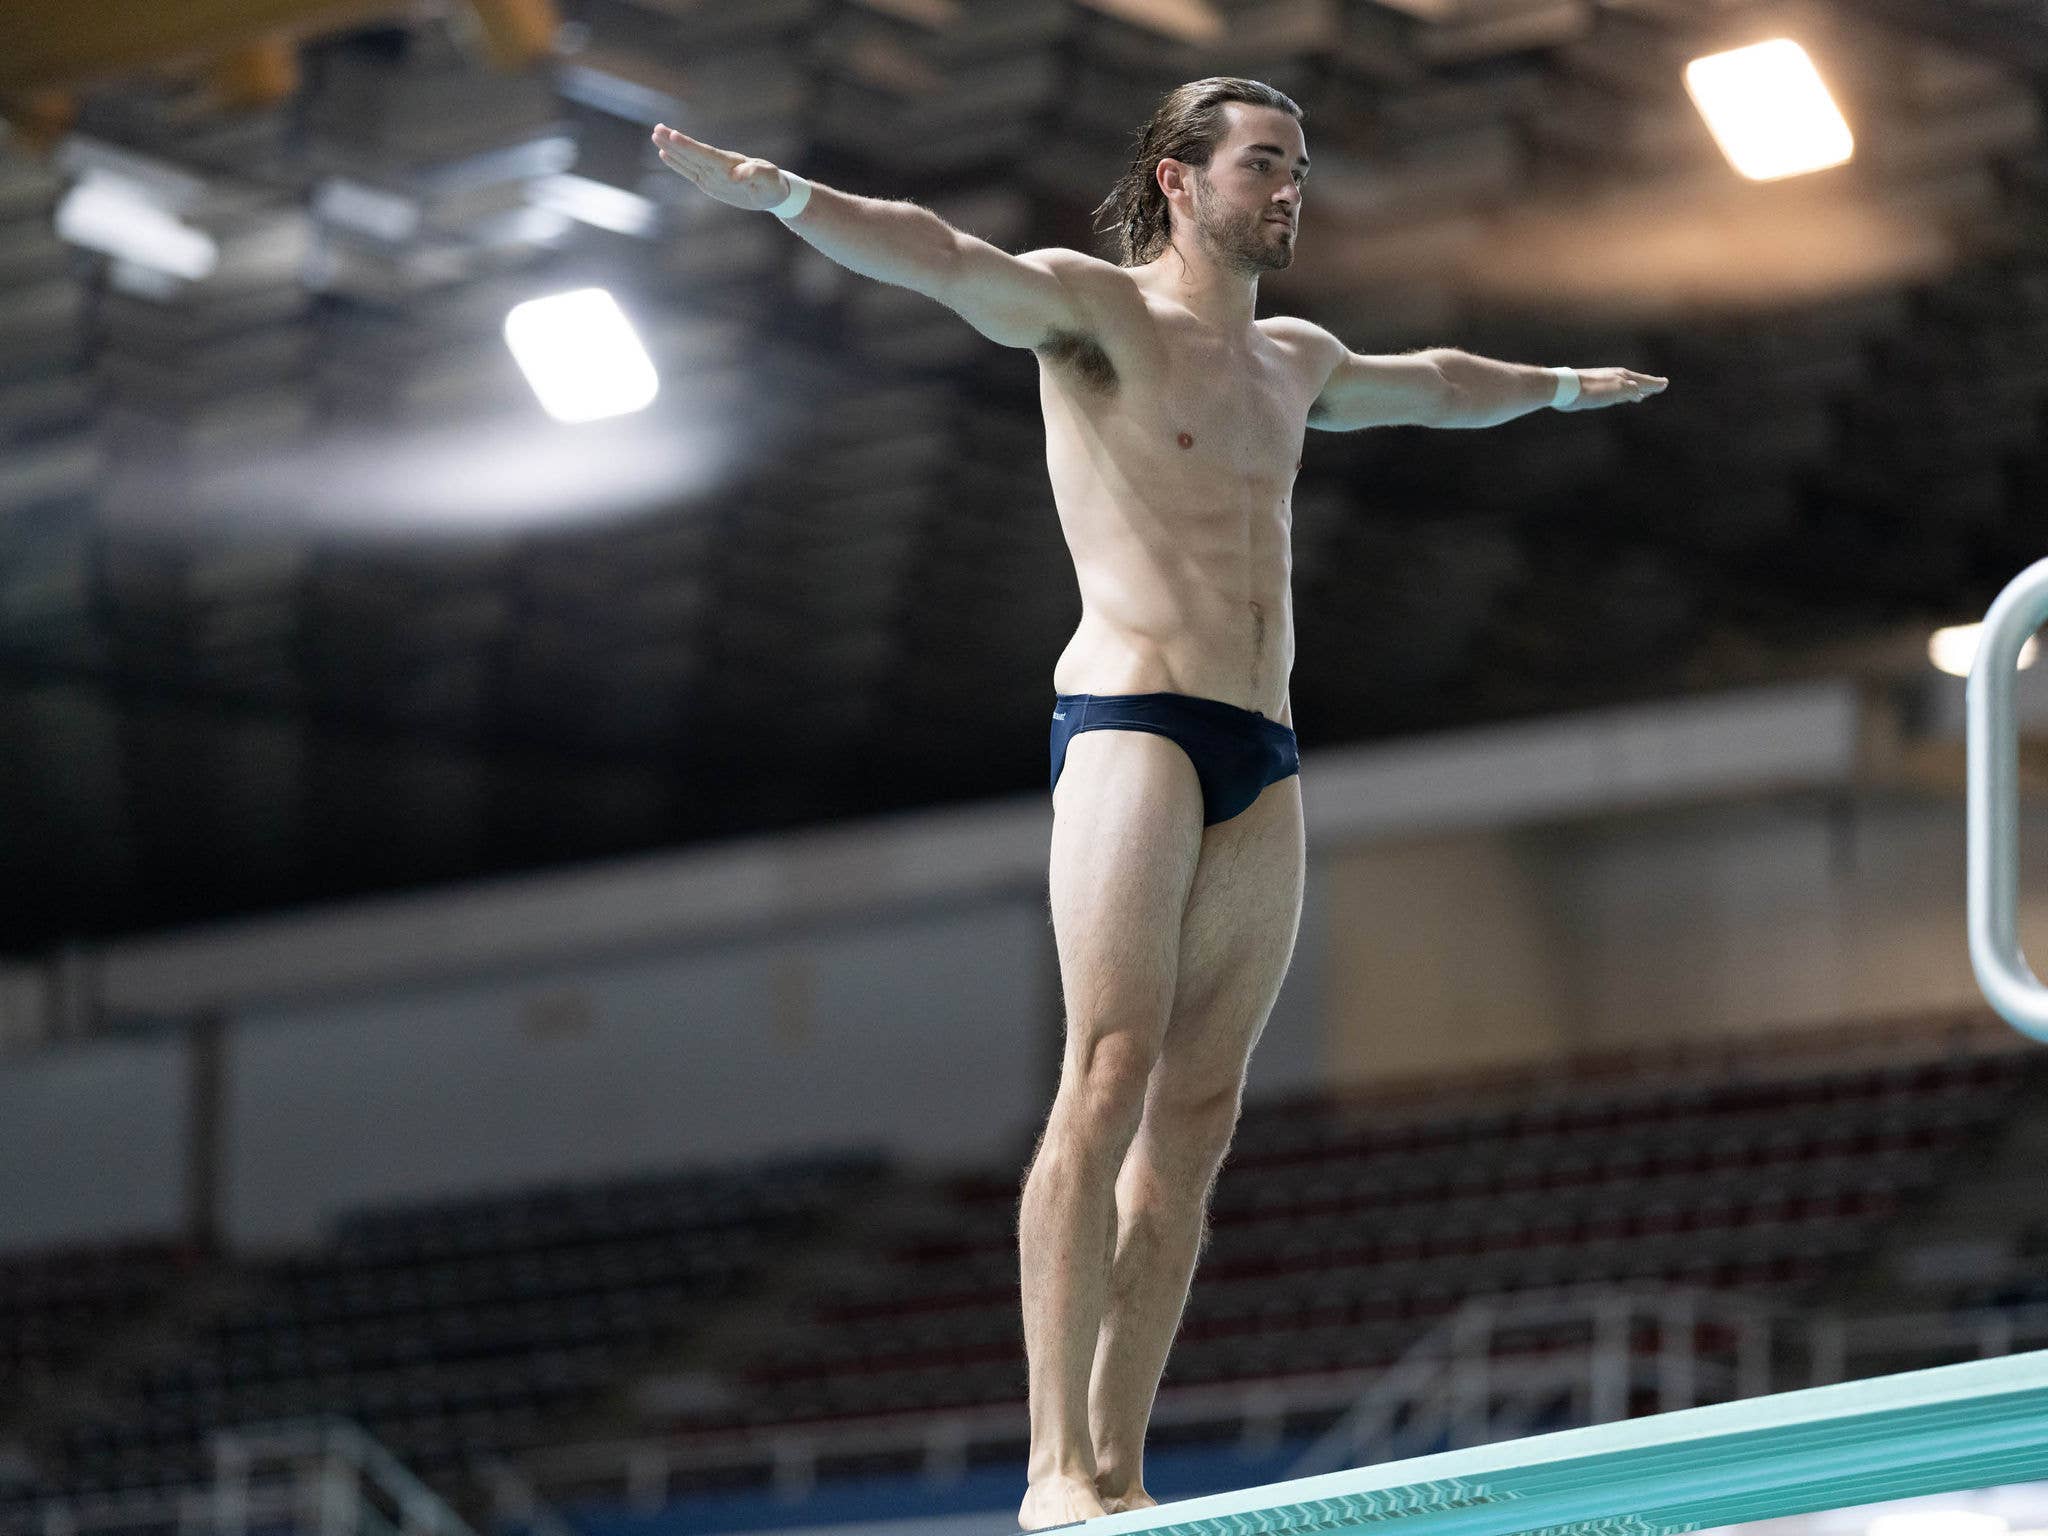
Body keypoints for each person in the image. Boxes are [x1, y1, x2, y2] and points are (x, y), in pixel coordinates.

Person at [652, 75, 1666, 1530]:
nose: (1290, 189)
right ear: (1180, 181)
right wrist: (793, 202)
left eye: (1300, 167)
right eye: (1264, 163)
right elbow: (942, 257)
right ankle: (1049, 1465)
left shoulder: (1296, 360)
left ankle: (1120, 1466)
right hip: (1133, 719)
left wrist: (1565, 390)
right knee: (1111, 1067)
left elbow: (1436, 384)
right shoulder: (1095, 312)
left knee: (1198, 1113)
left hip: (1266, 745)